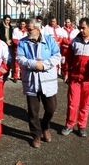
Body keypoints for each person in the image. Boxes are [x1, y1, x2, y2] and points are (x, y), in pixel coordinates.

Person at [16, 19, 61, 148]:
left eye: (29, 29)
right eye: (27, 29)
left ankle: (45, 126)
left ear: (38, 29)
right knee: (33, 111)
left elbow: (57, 55)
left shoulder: (49, 40)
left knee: (51, 108)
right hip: (31, 81)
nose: (27, 31)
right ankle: (36, 135)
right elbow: (19, 58)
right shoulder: (22, 42)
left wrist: (44, 65)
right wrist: (33, 64)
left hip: (47, 80)